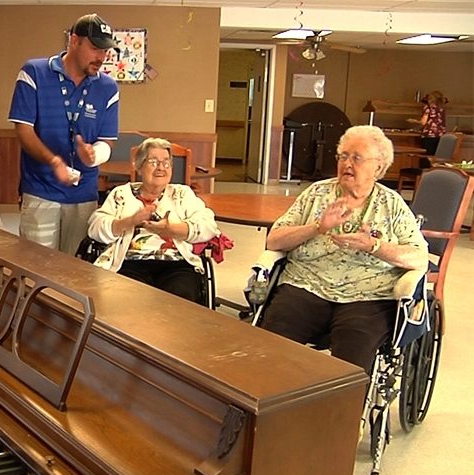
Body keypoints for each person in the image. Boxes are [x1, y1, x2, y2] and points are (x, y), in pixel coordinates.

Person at [260, 125, 429, 372]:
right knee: (270, 348)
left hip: (367, 296)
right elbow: (274, 240)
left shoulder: (392, 204)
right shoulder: (316, 193)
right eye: (343, 156)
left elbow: (419, 258)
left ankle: (340, 399)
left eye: (357, 158)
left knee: (351, 364)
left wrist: (373, 246)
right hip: (306, 285)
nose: (347, 164)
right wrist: (317, 227)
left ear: (378, 167)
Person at [8, 13, 120, 255]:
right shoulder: (34, 72)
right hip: (40, 189)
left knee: (76, 269)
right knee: (37, 266)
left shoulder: (108, 88)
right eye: (95, 48)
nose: (101, 57)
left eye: (105, 51)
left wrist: (95, 154)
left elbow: (107, 140)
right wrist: (54, 161)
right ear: (74, 41)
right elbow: (23, 130)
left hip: (84, 193)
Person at [87, 138, 220, 305]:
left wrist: (171, 230)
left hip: (177, 264)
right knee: (130, 298)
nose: (161, 168)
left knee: (180, 298)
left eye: (166, 163)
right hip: (130, 263)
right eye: (153, 162)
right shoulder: (121, 194)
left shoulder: (182, 194)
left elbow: (208, 225)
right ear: (139, 166)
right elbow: (95, 228)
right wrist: (130, 221)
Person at [408, 90, 447, 160]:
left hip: (429, 136)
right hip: (441, 137)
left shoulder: (428, 107)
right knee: (435, 158)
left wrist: (414, 121)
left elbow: (423, 122)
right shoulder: (442, 108)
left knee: (426, 158)